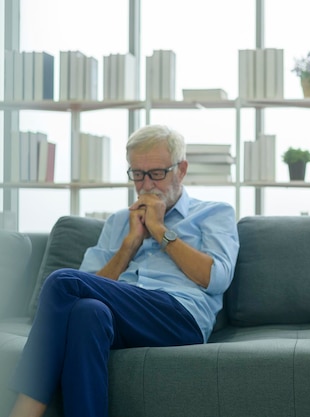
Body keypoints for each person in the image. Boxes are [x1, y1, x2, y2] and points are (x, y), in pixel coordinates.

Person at [9, 124, 240, 417]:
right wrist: (129, 244)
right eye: (137, 174)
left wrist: (159, 230)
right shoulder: (119, 222)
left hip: (179, 317)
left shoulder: (214, 213)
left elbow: (216, 278)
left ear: (180, 170)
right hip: (122, 317)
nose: (146, 186)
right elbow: (91, 285)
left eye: (156, 173)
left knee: (62, 280)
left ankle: (24, 410)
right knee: (86, 313)